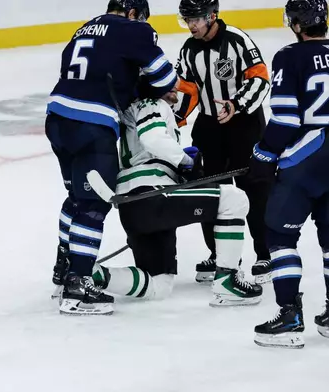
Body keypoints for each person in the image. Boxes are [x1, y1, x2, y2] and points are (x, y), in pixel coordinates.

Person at [47, 0, 178, 315]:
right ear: (133, 13)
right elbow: (164, 79)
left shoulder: (83, 29)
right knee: (93, 206)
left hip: (57, 120)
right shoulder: (133, 29)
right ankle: (77, 287)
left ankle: (63, 269)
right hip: (92, 126)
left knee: (76, 198)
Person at [92, 79, 262, 306]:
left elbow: (149, 150)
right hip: (152, 193)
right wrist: (186, 162)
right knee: (234, 199)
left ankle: (91, 273)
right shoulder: (151, 104)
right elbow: (152, 139)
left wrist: (180, 166)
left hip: (132, 206)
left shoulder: (132, 111)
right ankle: (227, 281)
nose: (175, 86)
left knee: (159, 285)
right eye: (166, 82)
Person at [174, 0, 273, 284]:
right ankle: (220, 255)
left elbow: (259, 78)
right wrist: (175, 116)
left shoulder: (238, 41)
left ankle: (265, 253)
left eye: (196, 20)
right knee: (209, 190)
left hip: (244, 125)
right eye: (187, 20)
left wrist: (237, 104)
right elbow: (189, 89)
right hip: (209, 128)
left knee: (253, 189)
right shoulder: (189, 49)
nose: (191, 26)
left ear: (212, 16)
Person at [252, 0, 329, 349]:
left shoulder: (289, 56)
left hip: (307, 156)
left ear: (297, 24)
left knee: (279, 236)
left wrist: (263, 153)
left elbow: (285, 118)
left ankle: (289, 315)